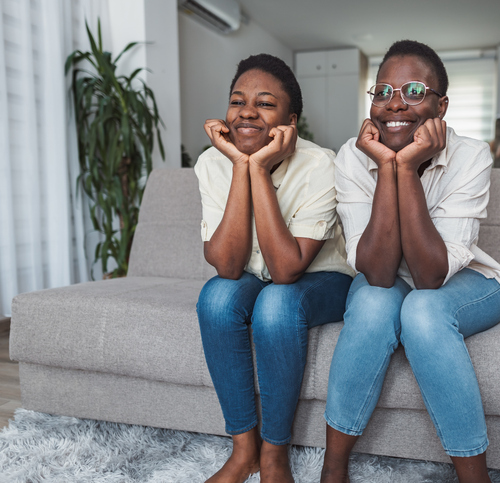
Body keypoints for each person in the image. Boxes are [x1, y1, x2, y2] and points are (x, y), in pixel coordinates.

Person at [320, 40, 500, 483]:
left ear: (440, 106)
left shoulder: (471, 155)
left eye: (412, 90)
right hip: (390, 276)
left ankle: (474, 478)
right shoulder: (352, 156)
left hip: (463, 281)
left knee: (423, 310)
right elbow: (378, 271)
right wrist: (387, 165)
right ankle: (333, 469)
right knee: (372, 303)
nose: (395, 104)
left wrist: (405, 168)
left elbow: (430, 276)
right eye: (383, 91)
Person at [195, 53, 354, 483]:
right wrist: (238, 164)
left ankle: (274, 452)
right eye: (237, 100)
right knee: (214, 298)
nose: (247, 111)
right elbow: (228, 267)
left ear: (290, 121)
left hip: (322, 278)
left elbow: (286, 270)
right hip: (252, 275)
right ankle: (243, 448)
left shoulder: (319, 164)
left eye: (265, 103)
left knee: (277, 305)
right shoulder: (211, 163)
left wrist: (258, 167)